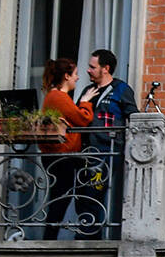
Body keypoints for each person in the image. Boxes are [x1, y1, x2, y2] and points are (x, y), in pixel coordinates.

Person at [76, 49, 137, 239]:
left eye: (92, 67)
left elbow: (134, 117)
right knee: (81, 197)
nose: (88, 70)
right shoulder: (88, 91)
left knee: (96, 194)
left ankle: (90, 237)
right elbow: (78, 118)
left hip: (107, 152)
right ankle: (86, 231)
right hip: (85, 152)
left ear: (106, 69)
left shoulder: (121, 89)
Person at [36, 58, 94, 239]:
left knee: (61, 196)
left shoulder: (55, 96)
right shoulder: (58, 97)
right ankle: (49, 238)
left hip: (58, 156)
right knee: (61, 198)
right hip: (62, 157)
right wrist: (85, 102)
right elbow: (82, 119)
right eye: (75, 74)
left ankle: (50, 236)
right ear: (66, 76)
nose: (77, 78)